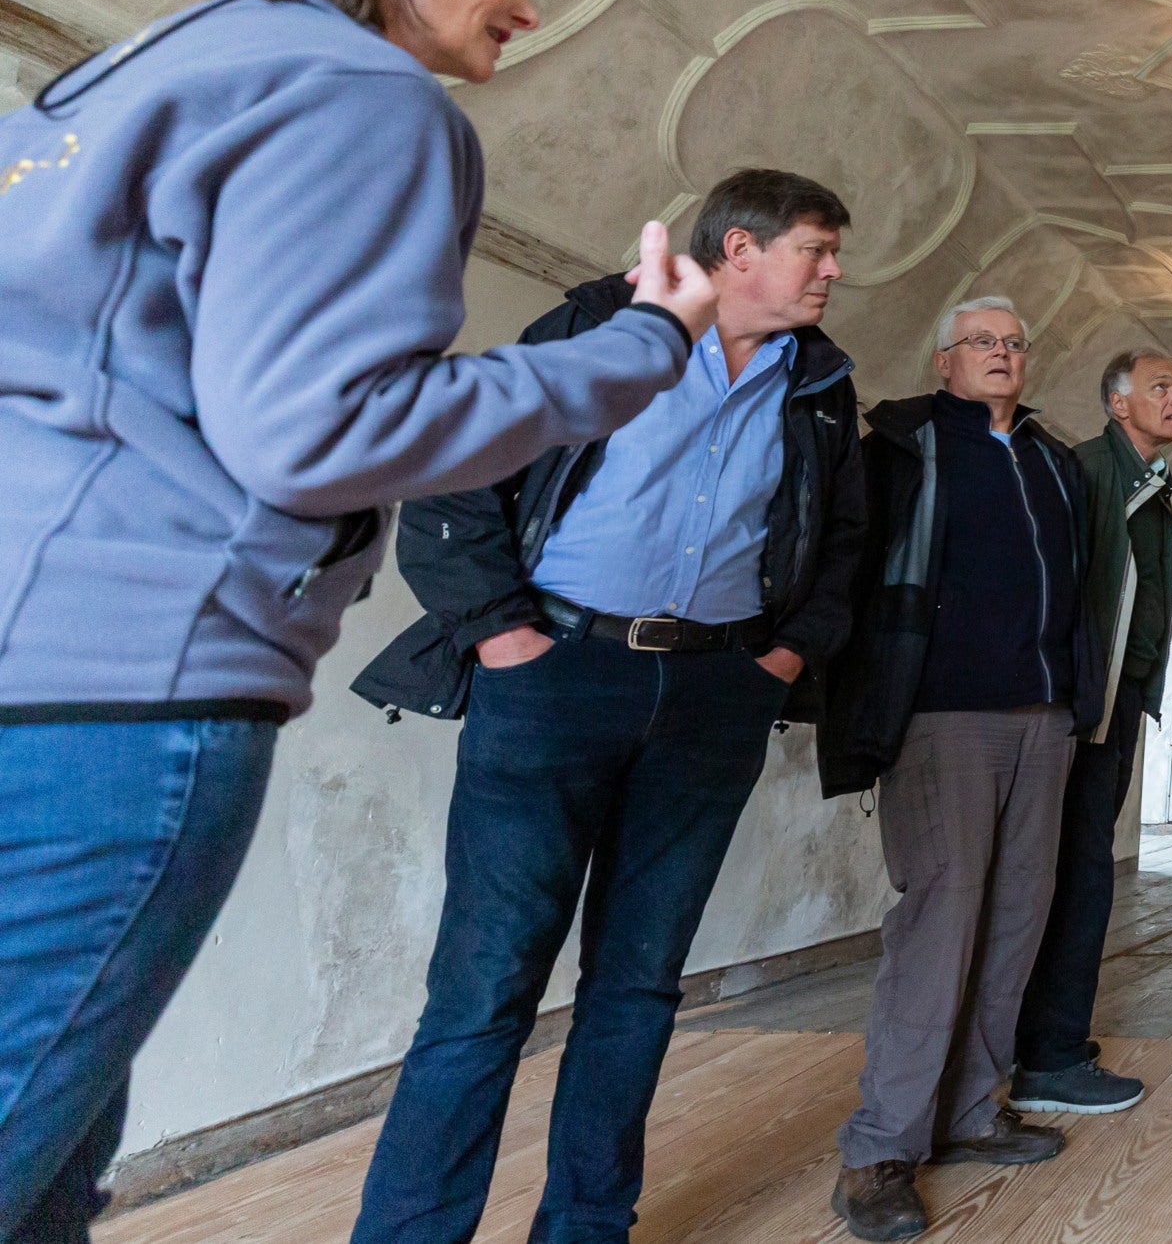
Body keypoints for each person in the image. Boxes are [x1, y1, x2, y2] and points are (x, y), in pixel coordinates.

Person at [0, 0, 717, 1243]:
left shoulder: (108, 85)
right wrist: (640, 348)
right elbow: (320, 427)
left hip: (32, 650)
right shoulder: (362, 97)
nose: (525, 2)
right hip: (129, 681)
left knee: (54, 1156)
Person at [348, 170, 862, 1243]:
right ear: (738, 249)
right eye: (815, 249)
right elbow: (452, 472)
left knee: (637, 985)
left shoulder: (816, 384)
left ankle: (586, 1227)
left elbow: (844, 542)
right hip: (556, 676)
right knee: (485, 989)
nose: (832, 272)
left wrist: (777, 659)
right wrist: (506, 636)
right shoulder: (598, 334)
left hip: (715, 692)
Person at [818, 297, 1105, 1243]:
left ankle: (975, 1108)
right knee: (940, 920)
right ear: (945, 360)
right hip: (943, 714)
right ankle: (880, 1148)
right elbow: (852, 567)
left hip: (1045, 717)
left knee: (1019, 914)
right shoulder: (903, 445)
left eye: (1016, 343)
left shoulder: (1050, 458)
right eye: (983, 342)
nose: (1003, 356)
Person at [1012, 347, 1172, 1116]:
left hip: (1115, 706)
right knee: (1078, 874)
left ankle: (1048, 1041)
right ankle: (1047, 1056)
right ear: (1120, 405)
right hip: (1085, 706)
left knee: (1084, 872)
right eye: (1161, 386)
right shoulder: (1087, 472)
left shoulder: (1146, 481)